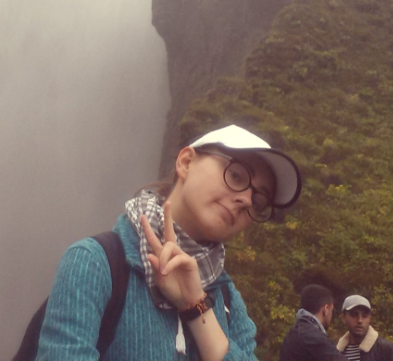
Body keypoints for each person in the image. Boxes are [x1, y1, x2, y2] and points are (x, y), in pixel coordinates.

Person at [35, 124, 303, 361]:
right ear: (186, 162)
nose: (246, 200)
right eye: (236, 176)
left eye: (259, 202)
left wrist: (196, 306)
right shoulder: (94, 265)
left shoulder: (227, 298)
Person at [278, 284, 345, 361]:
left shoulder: (291, 335)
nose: (331, 315)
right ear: (326, 309)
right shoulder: (314, 338)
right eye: (331, 310)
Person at [335, 295, 393, 361]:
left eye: (364, 315)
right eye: (354, 315)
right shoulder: (336, 352)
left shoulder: (385, 350)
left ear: (369, 318)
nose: (360, 320)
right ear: (343, 318)